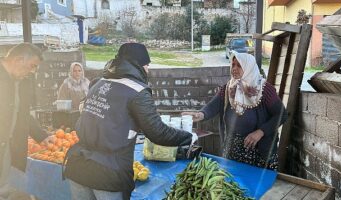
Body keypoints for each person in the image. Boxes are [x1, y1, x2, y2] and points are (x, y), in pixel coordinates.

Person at [64, 43, 198, 200]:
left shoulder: (98, 83)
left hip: (77, 167)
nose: (148, 69)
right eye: (147, 64)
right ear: (138, 65)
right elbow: (157, 132)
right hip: (108, 174)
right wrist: (189, 137)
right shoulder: (137, 91)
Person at [183, 52, 287, 170]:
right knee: (234, 182)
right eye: (233, 65)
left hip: (259, 150)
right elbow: (213, 106)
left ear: (249, 67)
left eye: (239, 65)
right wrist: (200, 114)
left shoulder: (264, 89)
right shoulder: (230, 87)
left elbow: (281, 114)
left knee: (260, 185)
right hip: (234, 148)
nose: (234, 69)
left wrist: (260, 132)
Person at [0, 43, 54, 199]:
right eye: (32, 66)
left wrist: (41, 135)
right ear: (18, 60)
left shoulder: (23, 81)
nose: (33, 71)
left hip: (13, 149)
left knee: (12, 189)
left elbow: (22, 113)